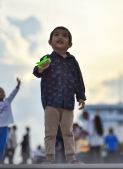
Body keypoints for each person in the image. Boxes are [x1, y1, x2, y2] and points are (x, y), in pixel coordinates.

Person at [32, 26, 86, 164]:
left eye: (64, 35)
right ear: (50, 42)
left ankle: (71, 158)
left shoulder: (73, 61)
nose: (60, 37)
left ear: (70, 44)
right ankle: (49, 158)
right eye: (56, 35)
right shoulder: (47, 58)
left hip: (67, 103)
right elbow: (36, 70)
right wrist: (41, 67)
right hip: (50, 102)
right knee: (50, 132)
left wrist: (81, 95)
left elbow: (78, 78)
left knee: (68, 132)